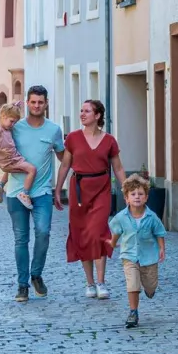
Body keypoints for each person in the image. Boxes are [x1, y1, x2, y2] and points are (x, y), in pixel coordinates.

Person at [54, 99, 123, 299]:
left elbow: (117, 168)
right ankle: (90, 283)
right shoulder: (73, 138)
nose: (82, 114)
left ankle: (101, 282)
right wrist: (58, 190)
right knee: (82, 235)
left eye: (87, 111)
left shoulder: (109, 140)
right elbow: (65, 166)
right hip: (79, 190)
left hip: (101, 188)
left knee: (98, 232)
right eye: (81, 111)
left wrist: (127, 190)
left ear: (97, 115)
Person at [6, 86, 64, 303]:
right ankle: (22, 285)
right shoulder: (16, 128)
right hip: (16, 192)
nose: (37, 106)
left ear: (46, 103)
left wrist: (60, 187)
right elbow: (0, 149)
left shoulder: (54, 130)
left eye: (40, 102)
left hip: (41, 193)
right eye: (33, 102)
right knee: (21, 239)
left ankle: (36, 274)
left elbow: (63, 157)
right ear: (27, 103)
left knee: (43, 232)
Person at [108, 173, 167, 328]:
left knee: (150, 285)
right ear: (126, 198)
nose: (137, 197)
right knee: (132, 284)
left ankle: (150, 289)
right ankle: (133, 312)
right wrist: (113, 243)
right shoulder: (121, 217)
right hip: (129, 255)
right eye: (133, 194)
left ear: (146, 197)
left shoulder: (152, 217)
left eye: (140, 194)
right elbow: (116, 232)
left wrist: (161, 248)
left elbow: (159, 233)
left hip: (149, 256)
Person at [0, 103, 36, 209]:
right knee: (32, 170)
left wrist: (15, 107)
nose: (13, 124)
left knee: (10, 170)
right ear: (3, 116)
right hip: (11, 160)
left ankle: (0, 185)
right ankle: (24, 194)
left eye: (15, 122)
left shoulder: (6, 129)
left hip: (12, 159)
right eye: (11, 121)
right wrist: (0, 151)